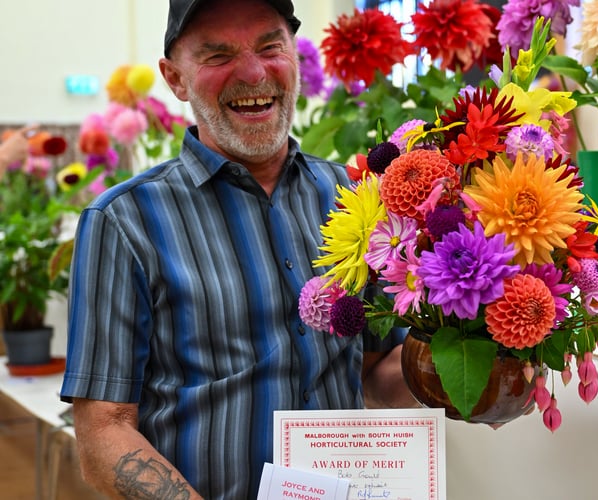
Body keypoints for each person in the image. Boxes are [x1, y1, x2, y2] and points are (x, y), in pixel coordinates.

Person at [60, 1, 415, 498]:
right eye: (218, 54)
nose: (252, 72)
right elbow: (104, 429)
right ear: (175, 78)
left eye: (270, 46)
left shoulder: (355, 196)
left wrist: (478, 356)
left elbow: (377, 372)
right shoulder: (124, 222)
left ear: (293, 53)